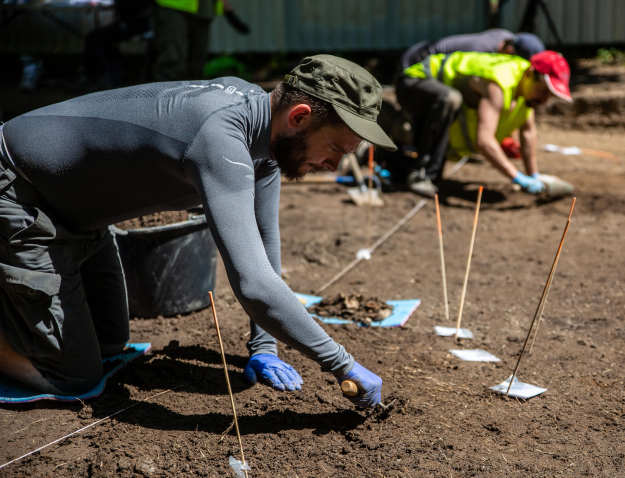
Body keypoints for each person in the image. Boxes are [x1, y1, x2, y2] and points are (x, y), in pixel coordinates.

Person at [0, 55, 395, 409]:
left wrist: (265, 346)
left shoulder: (264, 130)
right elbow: (254, 283)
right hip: (21, 193)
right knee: (74, 378)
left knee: (109, 345)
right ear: (299, 117)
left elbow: (264, 242)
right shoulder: (221, 137)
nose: (334, 166)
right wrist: (342, 363)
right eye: (335, 149)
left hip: (80, 219)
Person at [400, 50, 572, 195]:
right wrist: (518, 178)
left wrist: (533, 175)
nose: (544, 99)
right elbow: (484, 141)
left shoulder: (524, 86)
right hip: (414, 81)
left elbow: (528, 131)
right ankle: (421, 176)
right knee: (450, 99)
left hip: (435, 94)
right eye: (543, 91)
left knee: (452, 100)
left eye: (550, 95)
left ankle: (425, 170)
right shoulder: (499, 82)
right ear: (530, 74)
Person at [153, 0, 248, 81]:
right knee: (173, 58)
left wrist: (228, 10)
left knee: (197, 63)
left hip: (204, 8)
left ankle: (194, 97)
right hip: (174, 5)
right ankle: (166, 96)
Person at [82, 0, 153, 88]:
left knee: (94, 38)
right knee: (105, 41)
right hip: (133, 23)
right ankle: (110, 77)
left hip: (135, 24)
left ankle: (100, 76)